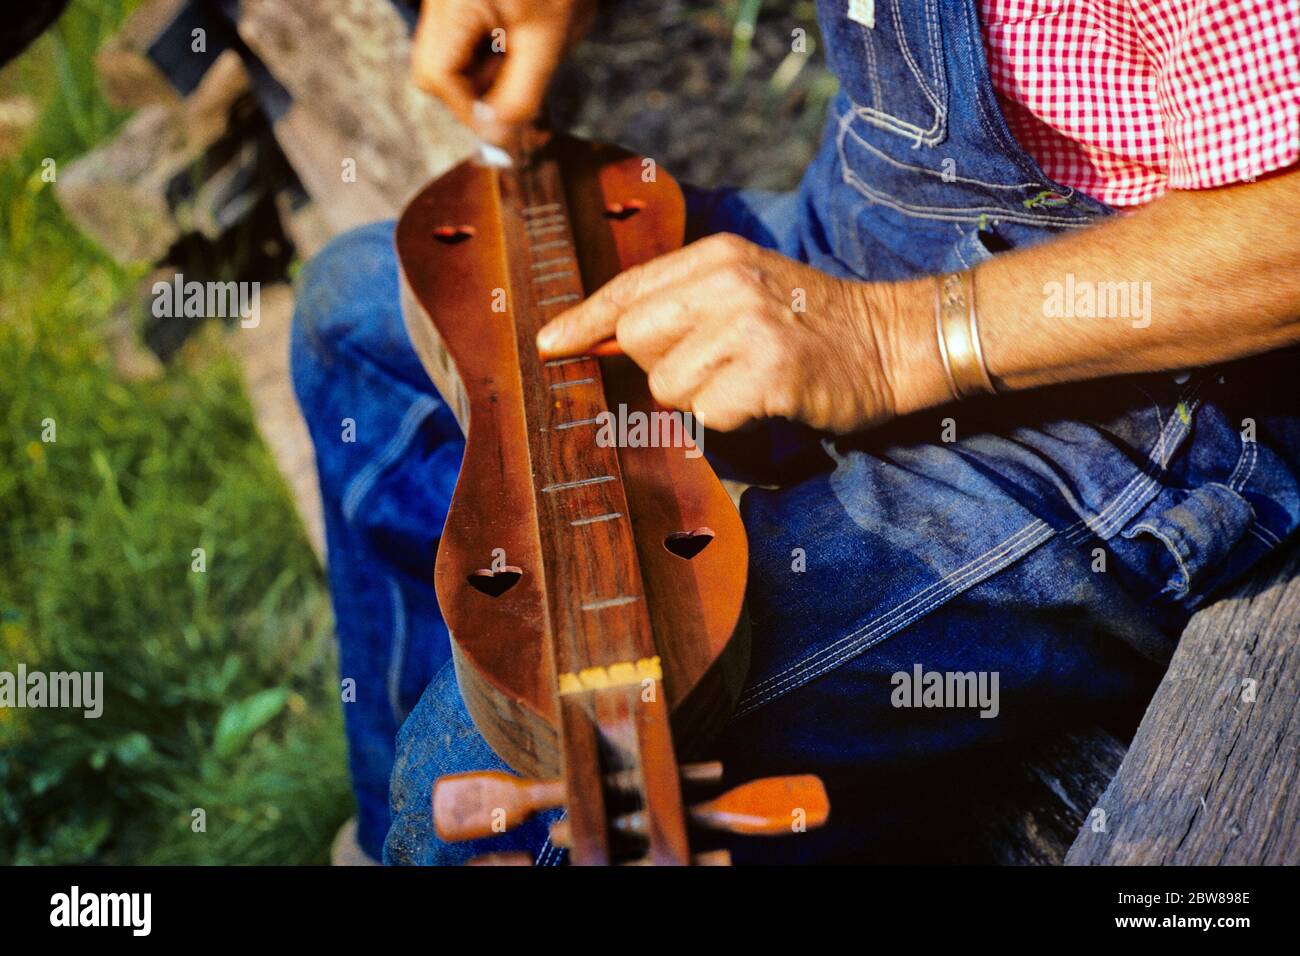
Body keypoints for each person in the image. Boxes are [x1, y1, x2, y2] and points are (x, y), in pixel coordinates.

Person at [290, 0, 1300, 864]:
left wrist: (887, 340)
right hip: (861, 242)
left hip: (1140, 408)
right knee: (353, 313)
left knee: (478, 793)